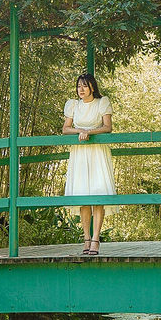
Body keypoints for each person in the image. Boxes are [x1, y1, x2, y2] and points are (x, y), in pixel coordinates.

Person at [62, 73, 119, 255]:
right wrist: (80, 131)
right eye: (79, 86)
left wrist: (89, 132)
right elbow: (65, 128)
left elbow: (107, 127)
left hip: (97, 152)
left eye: (85, 86)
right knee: (83, 196)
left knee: (98, 193)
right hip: (80, 153)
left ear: (92, 87)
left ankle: (96, 239)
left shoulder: (102, 102)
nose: (81, 89)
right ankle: (86, 238)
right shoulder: (73, 105)